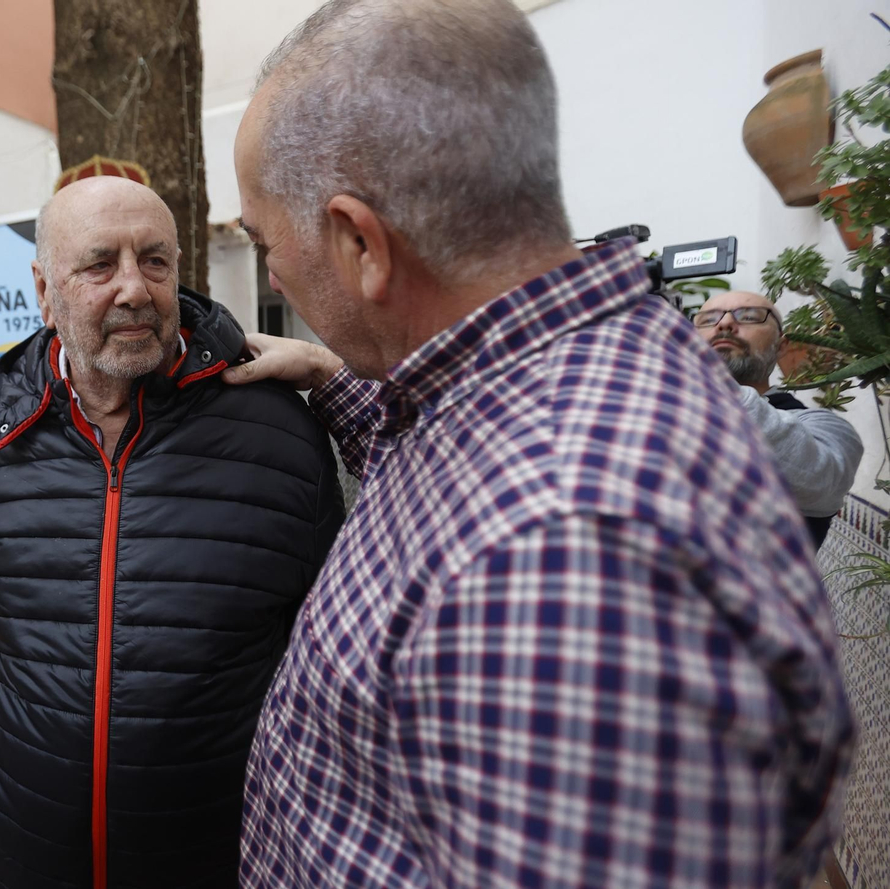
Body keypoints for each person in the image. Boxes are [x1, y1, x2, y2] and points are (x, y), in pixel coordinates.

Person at [224, 0, 855, 886]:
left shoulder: (560, 548)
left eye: (262, 242)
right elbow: (443, 467)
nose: (273, 273)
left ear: (360, 241)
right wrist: (330, 371)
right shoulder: (522, 382)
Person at [0, 175, 345, 889]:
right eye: (98, 264)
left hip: (220, 851)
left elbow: (329, 637)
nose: (134, 289)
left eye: (154, 260)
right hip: (22, 844)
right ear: (44, 290)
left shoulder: (278, 433)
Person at [693, 290, 863, 546]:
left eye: (749, 317)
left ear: (781, 346)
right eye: (708, 320)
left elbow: (818, 482)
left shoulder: (824, 429)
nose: (725, 324)